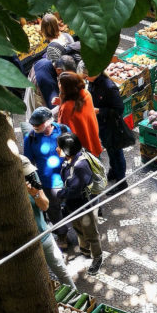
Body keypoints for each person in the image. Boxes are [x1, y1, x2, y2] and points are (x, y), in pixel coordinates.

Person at [17, 155, 76, 288]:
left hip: (42, 234)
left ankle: (76, 296)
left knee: (61, 270)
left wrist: (35, 194)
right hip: (22, 243)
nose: (29, 174)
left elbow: (45, 206)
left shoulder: (31, 176)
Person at [56, 132, 104, 275]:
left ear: (67, 150)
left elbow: (74, 190)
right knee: (78, 228)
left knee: (91, 233)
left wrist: (59, 195)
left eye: (59, 147)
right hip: (75, 205)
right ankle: (85, 251)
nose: (56, 149)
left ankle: (97, 257)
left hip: (85, 206)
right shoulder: (69, 161)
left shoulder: (80, 166)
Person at [24, 106, 72, 248]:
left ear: (49, 121)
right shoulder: (30, 138)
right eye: (33, 124)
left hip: (67, 177)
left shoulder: (63, 130)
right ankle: (62, 235)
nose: (35, 126)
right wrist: (35, 187)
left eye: (38, 123)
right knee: (53, 209)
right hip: (48, 183)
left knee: (73, 204)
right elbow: (28, 163)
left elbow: (73, 149)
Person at [85, 65, 131, 191]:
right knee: (110, 150)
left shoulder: (108, 87)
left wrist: (99, 111)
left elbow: (119, 109)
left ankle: (121, 182)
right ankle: (113, 171)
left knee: (117, 153)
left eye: (86, 74)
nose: (85, 77)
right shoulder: (92, 83)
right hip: (102, 125)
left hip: (112, 126)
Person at [57, 71, 102, 156]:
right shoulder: (86, 93)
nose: (58, 84)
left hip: (80, 146)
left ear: (67, 88)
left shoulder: (67, 107)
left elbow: (64, 129)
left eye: (60, 83)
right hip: (92, 136)